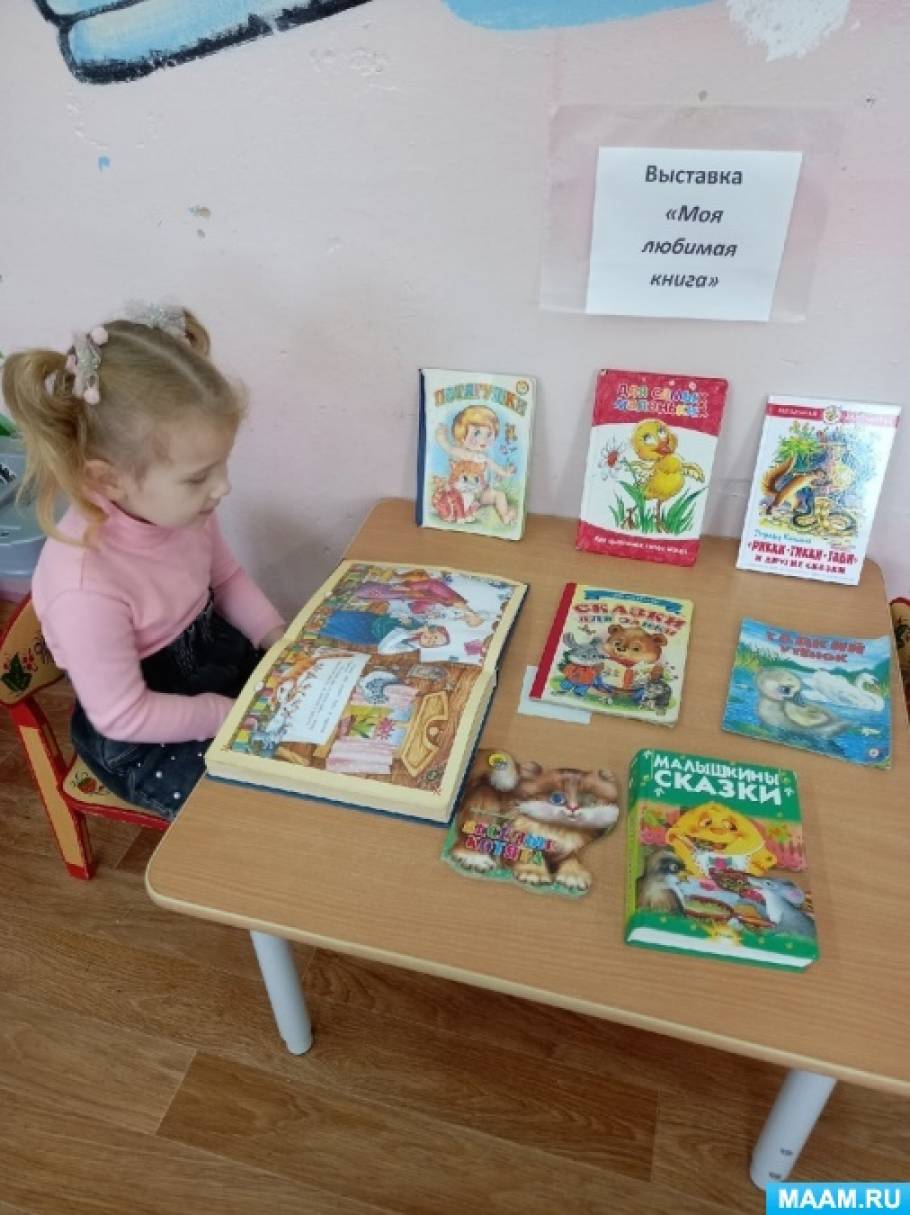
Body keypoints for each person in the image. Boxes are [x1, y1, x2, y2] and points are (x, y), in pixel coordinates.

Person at [1, 303, 285, 818]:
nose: (223, 487)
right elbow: (124, 716)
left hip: (215, 669)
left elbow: (226, 578)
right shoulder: (86, 589)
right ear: (108, 479)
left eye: (222, 465)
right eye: (198, 477)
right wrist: (229, 715)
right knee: (257, 816)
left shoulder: (185, 511)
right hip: (146, 737)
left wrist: (275, 636)